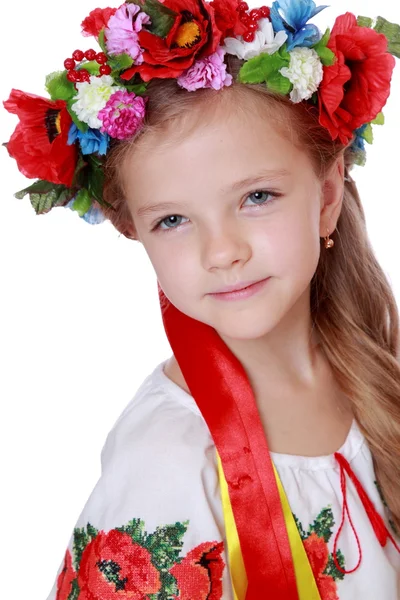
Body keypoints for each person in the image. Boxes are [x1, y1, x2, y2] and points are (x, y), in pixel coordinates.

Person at [3, 0, 400, 598]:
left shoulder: (370, 364)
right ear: (131, 228)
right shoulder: (169, 462)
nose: (222, 251)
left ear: (326, 192)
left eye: (257, 197)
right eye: (172, 220)